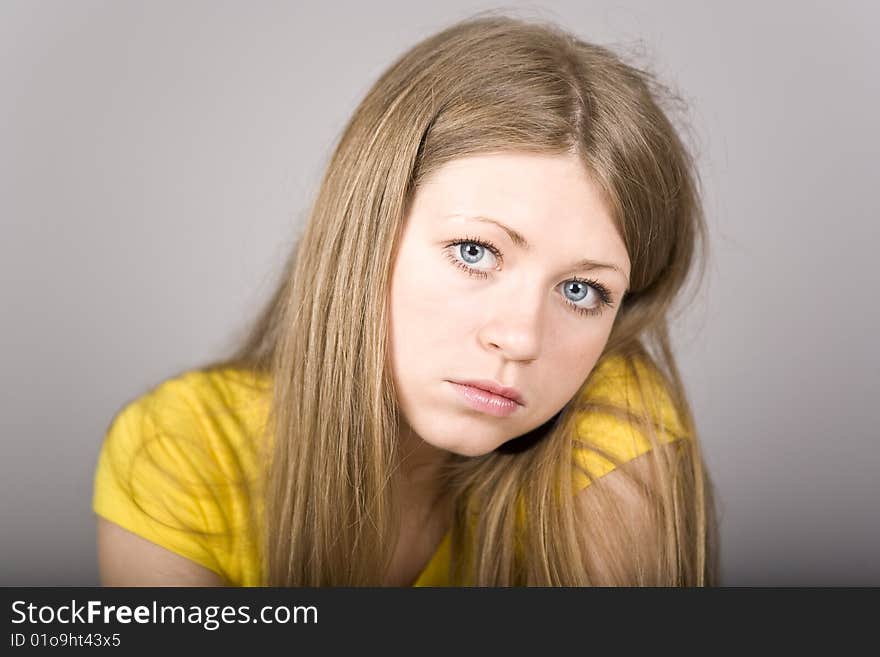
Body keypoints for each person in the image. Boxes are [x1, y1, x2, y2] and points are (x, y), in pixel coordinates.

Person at [92, 12, 720, 587]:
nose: (522, 338)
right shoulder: (184, 449)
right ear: (366, 234)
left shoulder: (612, 428)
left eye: (581, 291)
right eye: (476, 252)